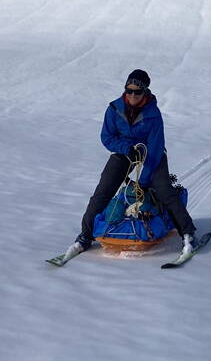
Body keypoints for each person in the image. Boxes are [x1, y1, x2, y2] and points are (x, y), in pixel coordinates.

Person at [72, 69, 197, 254]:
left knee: (165, 191)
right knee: (103, 191)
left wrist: (144, 181)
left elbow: (155, 147)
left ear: (145, 91)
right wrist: (126, 149)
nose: (132, 95)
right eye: (128, 90)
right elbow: (107, 137)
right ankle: (85, 235)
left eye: (137, 91)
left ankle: (188, 233)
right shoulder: (114, 109)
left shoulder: (153, 114)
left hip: (151, 154)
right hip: (126, 152)